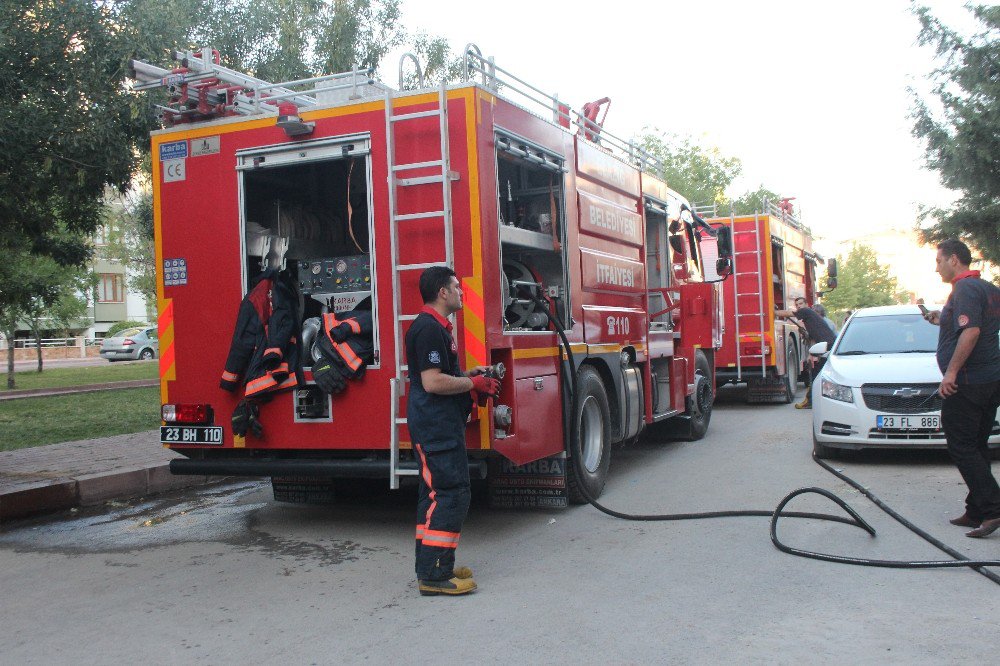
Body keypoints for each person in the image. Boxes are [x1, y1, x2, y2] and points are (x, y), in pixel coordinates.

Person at [405, 266, 500, 595]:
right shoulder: (429, 329)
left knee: (434, 497)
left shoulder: (436, 328)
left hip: (437, 426)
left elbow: (438, 375)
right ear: (442, 293)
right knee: (451, 494)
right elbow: (432, 382)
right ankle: (435, 575)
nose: (462, 292)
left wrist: (470, 376)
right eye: (457, 288)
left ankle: (433, 563)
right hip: (436, 429)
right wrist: (473, 382)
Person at [922, 239, 1000, 538]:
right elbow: (978, 323)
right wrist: (941, 319)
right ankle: (977, 509)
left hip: (969, 382)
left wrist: (951, 373)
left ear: (954, 260)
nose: (937, 267)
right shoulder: (987, 288)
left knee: (961, 445)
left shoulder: (964, 288)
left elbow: (973, 330)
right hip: (990, 380)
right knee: (977, 444)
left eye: (939, 260)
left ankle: (993, 508)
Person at [775, 296, 837, 409]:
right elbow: (813, 338)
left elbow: (788, 313)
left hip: (828, 347)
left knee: (817, 375)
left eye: (801, 304)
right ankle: (817, 400)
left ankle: (811, 401)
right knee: (818, 374)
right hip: (826, 347)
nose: (799, 306)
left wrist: (773, 311)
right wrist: (811, 354)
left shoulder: (806, 311)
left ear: (806, 304)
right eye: (797, 304)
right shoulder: (809, 319)